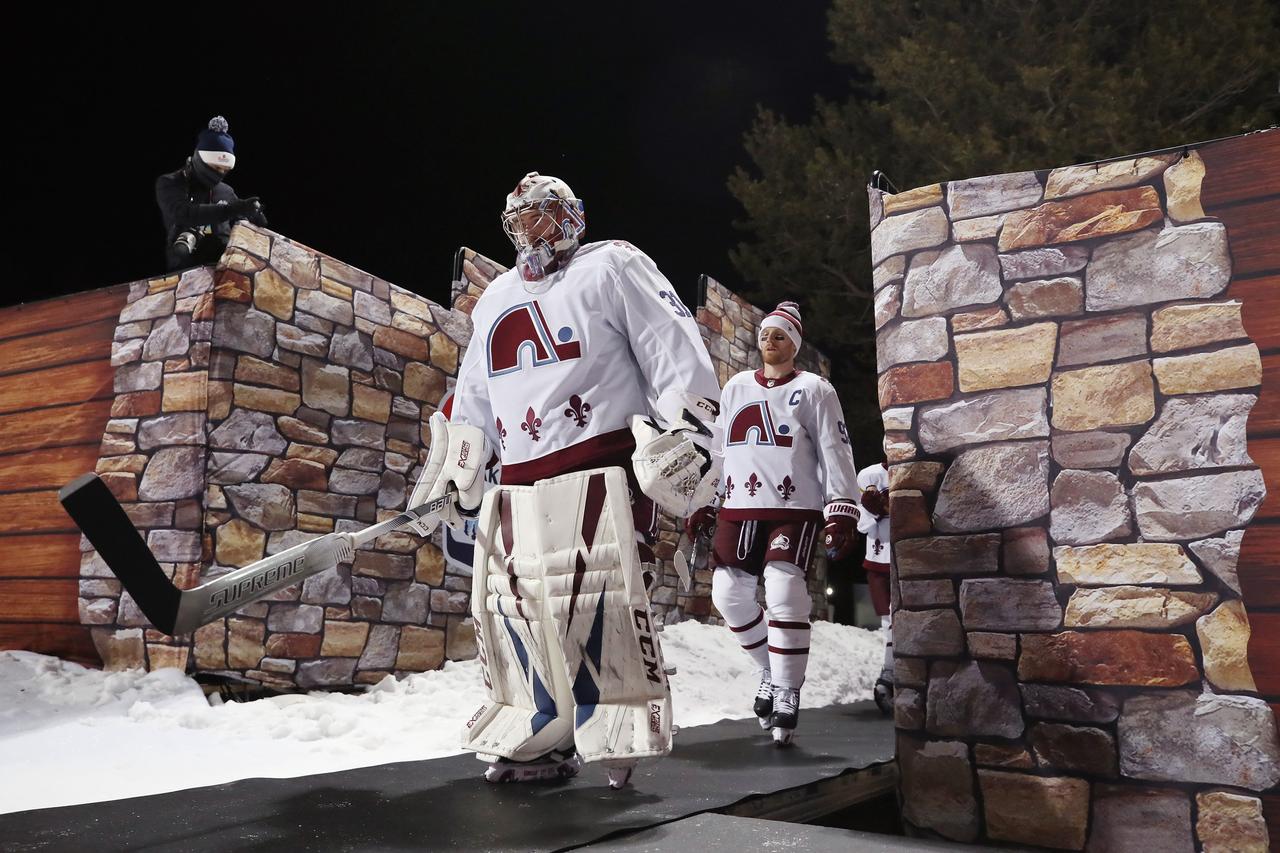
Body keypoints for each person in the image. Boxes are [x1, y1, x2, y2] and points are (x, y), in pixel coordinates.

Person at [407, 172, 722, 788]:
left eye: (544, 214)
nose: (534, 228)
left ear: (571, 214)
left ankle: (613, 722)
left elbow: (670, 343)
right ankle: (540, 725)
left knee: (595, 593)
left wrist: (692, 426)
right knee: (518, 606)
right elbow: (474, 393)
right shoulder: (496, 296)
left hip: (599, 462)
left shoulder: (613, 265)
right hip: (518, 480)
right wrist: (456, 464)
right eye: (522, 218)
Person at [686, 302, 859, 745]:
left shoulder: (816, 390)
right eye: (765, 334)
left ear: (794, 344)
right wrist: (709, 498)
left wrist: (840, 506)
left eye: (780, 335)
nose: (770, 341)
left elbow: (834, 449)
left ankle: (787, 690)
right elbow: (722, 450)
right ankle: (770, 670)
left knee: (783, 589)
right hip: (740, 505)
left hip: (792, 506)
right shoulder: (737, 387)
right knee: (728, 595)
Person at [155, 116, 266, 271]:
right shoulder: (171, 183)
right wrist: (231, 209)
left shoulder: (226, 191)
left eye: (225, 170)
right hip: (185, 273)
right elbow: (182, 213)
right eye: (215, 167)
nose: (220, 174)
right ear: (200, 158)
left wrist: (256, 218)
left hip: (224, 272)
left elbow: (245, 226)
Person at [857, 459, 893, 715]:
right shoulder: (869, 475)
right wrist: (874, 509)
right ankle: (890, 677)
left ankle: (890, 677)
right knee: (889, 620)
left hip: (913, 551)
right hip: (880, 554)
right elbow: (862, 525)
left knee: (900, 620)